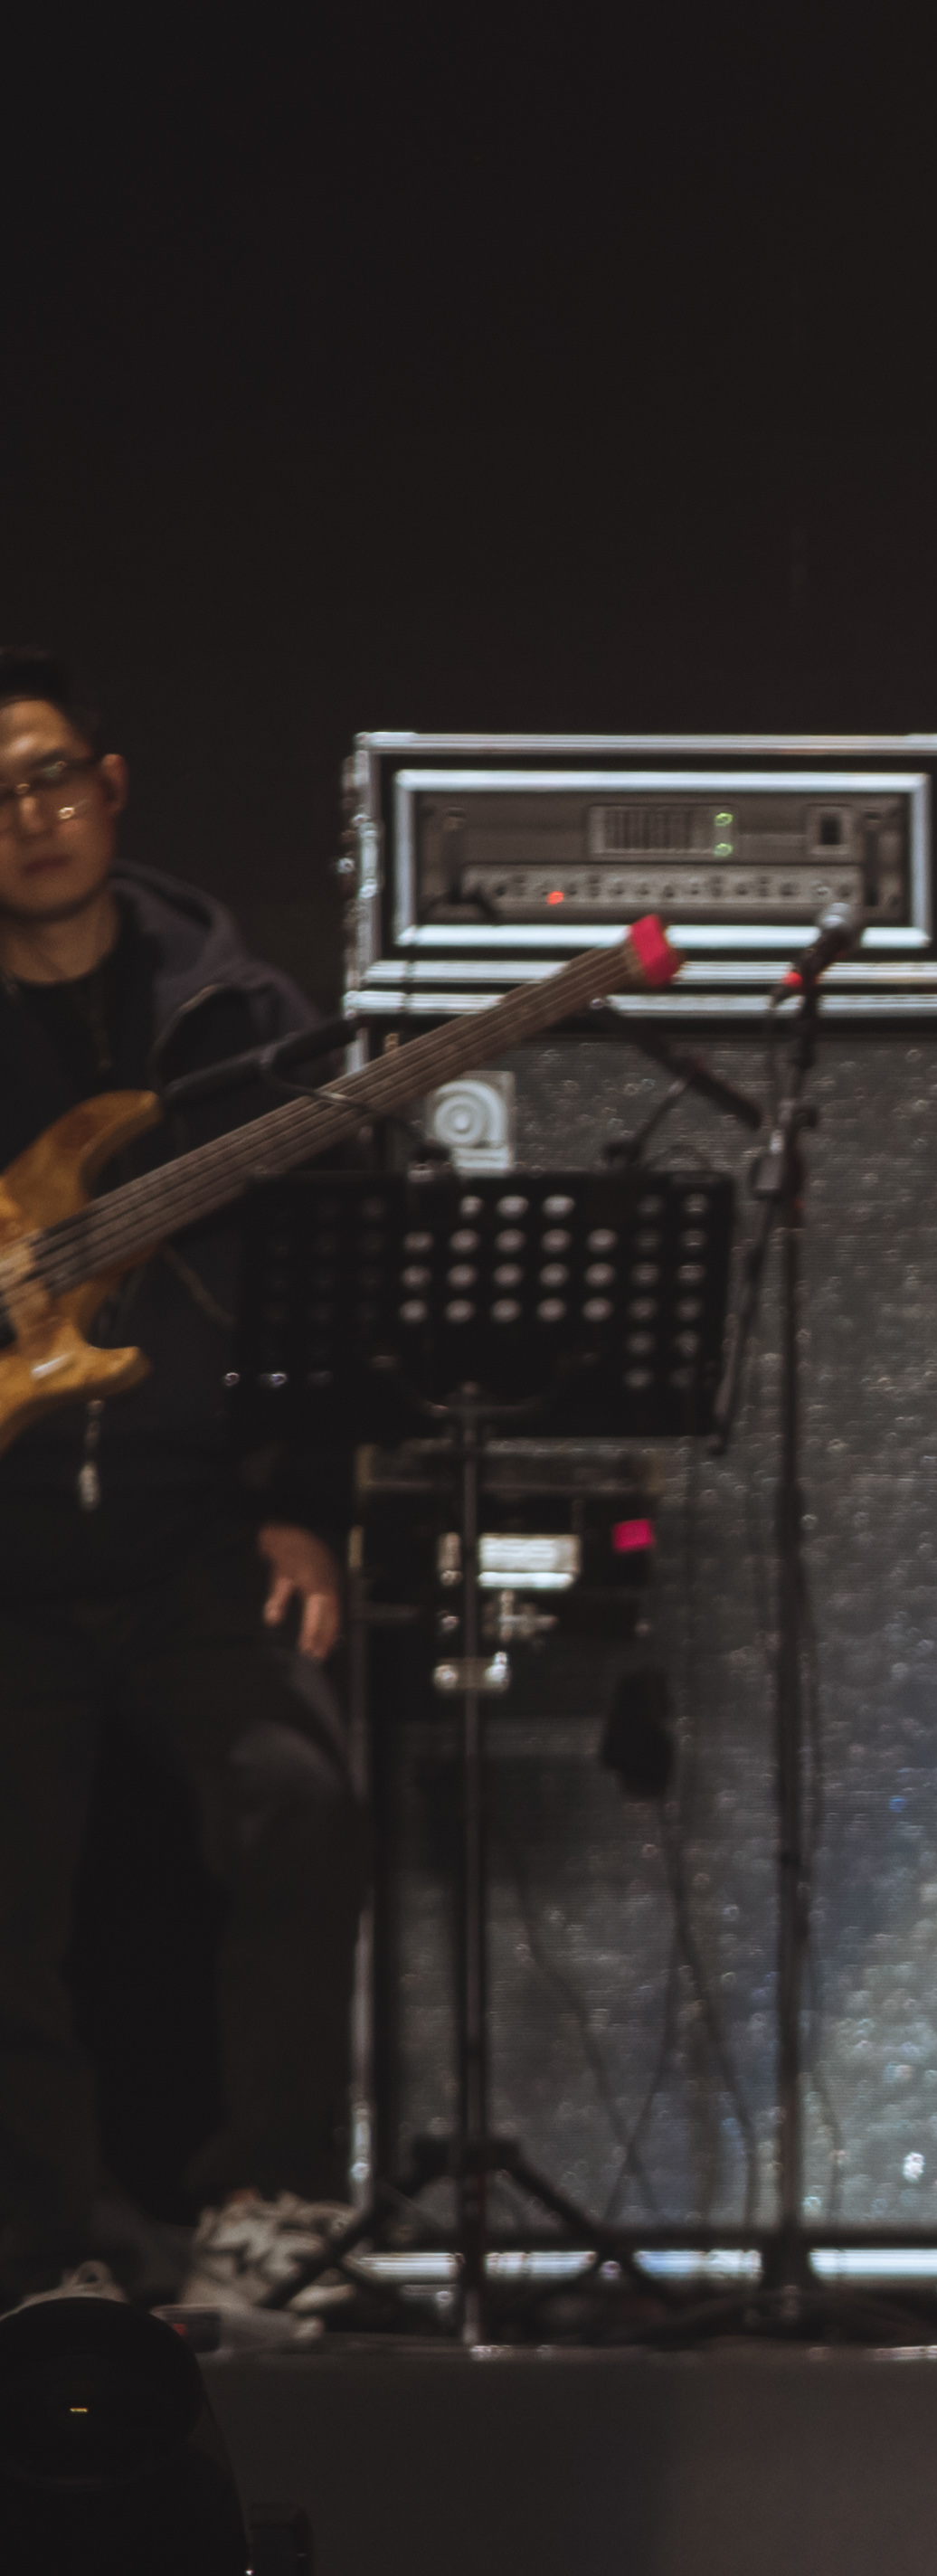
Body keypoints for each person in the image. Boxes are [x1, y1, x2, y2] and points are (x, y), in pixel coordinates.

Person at [0, 649, 367, 2312]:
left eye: (53, 777)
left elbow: (326, 1276)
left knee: (300, 1799)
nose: (32, 818)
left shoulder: (238, 1017)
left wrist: (305, 1501)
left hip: (194, 1527)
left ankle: (270, 2199)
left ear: (112, 785)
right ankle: (41, 2249)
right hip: (8, 1540)